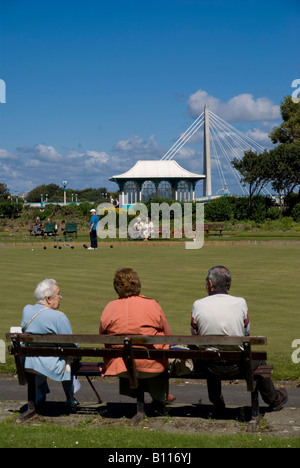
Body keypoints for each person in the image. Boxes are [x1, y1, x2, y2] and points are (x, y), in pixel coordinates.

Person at [191, 266, 288, 413]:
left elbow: (194, 335)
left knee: (209, 352)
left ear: (210, 284)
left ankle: (216, 400)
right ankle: (273, 399)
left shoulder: (198, 304)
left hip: (209, 366)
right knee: (258, 361)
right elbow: (246, 332)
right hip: (238, 365)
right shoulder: (241, 302)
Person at [99, 268, 172, 407]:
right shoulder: (152, 305)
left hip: (121, 367)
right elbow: (168, 336)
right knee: (160, 346)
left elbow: (103, 337)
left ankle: (155, 396)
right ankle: (159, 396)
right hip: (152, 367)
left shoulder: (109, 307)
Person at [21, 279, 79, 407]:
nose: (61, 296)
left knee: (43, 356)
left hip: (30, 362)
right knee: (70, 356)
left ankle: (39, 399)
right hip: (52, 365)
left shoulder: (26, 311)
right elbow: (71, 345)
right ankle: (70, 397)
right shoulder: (59, 317)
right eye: (58, 293)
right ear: (48, 299)